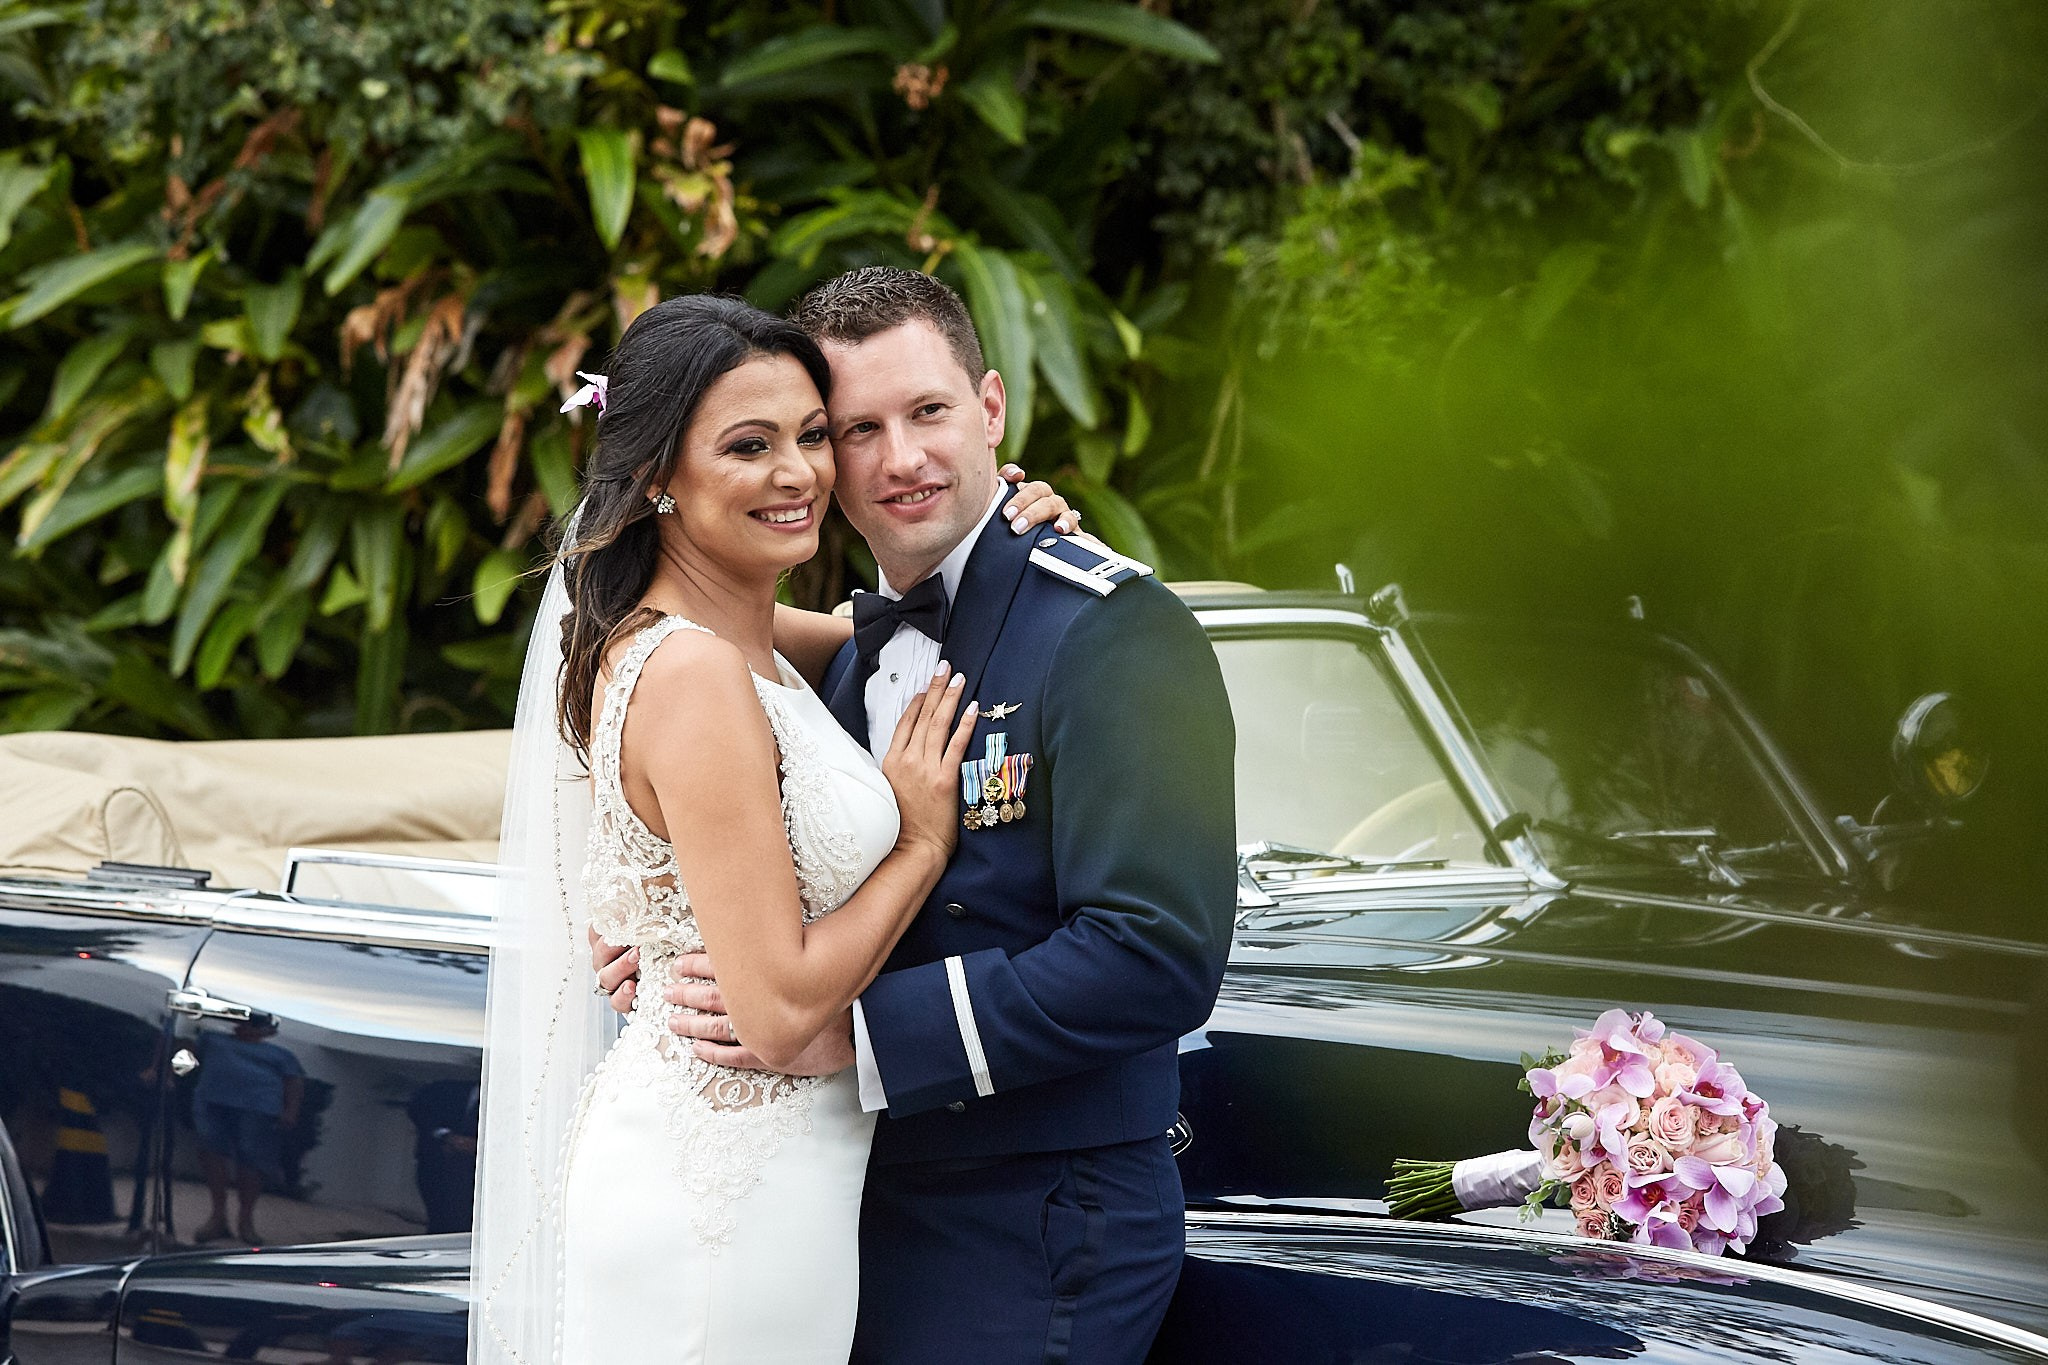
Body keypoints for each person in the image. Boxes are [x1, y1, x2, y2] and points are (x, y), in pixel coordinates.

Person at [593, 268, 1238, 1363]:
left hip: (1033, 1213)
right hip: (837, 1211)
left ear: (989, 409)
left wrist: (853, 1037)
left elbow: (1154, 953)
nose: (900, 459)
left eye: (929, 412)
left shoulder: (1112, 632)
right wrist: (669, 940)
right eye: (857, 428)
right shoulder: (830, 657)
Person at [467, 292, 1082, 1365]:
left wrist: (1020, 520)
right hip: (722, 1183)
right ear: (658, 474)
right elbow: (778, 1007)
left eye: (810, 435)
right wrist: (920, 846)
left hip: (777, 1170)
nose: (797, 473)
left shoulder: (744, 638)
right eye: (748, 446)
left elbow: (906, 623)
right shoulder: (695, 671)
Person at [189, 1013, 303, 1244]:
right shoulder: (213, 1037)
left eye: (253, 1023)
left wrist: (291, 1110)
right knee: (212, 1155)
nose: (244, 1026)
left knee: (250, 1162)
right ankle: (218, 1217)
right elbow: (185, 1051)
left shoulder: (281, 1051)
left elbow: (294, 1080)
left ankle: (246, 1221)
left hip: (258, 1109)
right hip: (213, 1101)